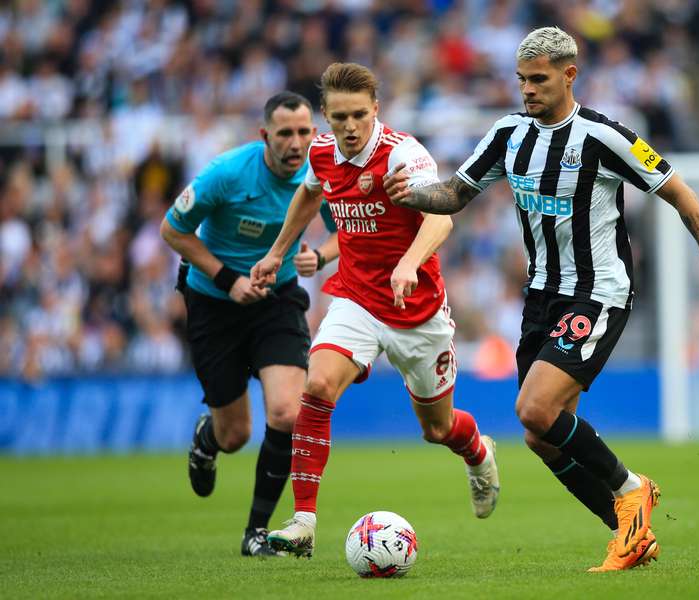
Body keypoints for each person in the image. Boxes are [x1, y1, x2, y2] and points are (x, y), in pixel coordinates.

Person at [384, 27, 699, 572]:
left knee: (533, 409)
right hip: (541, 297)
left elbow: (679, 191)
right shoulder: (507, 133)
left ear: (569, 75)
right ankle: (629, 533)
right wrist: (409, 194)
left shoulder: (604, 137)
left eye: (538, 80)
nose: (527, 90)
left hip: (598, 294)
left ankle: (633, 489)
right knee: (542, 437)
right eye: (521, 80)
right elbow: (455, 195)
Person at [250, 62, 500, 558]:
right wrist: (278, 252)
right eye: (339, 116)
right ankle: (303, 521)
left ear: (375, 111)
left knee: (437, 428)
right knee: (316, 385)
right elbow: (308, 193)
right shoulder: (322, 153)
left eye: (358, 115)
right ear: (325, 115)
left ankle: (478, 452)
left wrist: (409, 263)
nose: (348, 126)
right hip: (356, 298)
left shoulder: (402, 155)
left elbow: (441, 220)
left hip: (417, 309)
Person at [159, 91, 338, 557]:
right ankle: (207, 439)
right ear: (265, 136)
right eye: (285, 133)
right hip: (214, 302)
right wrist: (228, 278)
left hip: (277, 301)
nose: (297, 142)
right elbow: (172, 230)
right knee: (235, 434)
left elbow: (348, 230)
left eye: (305, 132)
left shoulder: (319, 172)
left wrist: (318, 255)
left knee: (286, 412)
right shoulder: (225, 174)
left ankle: (256, 533)